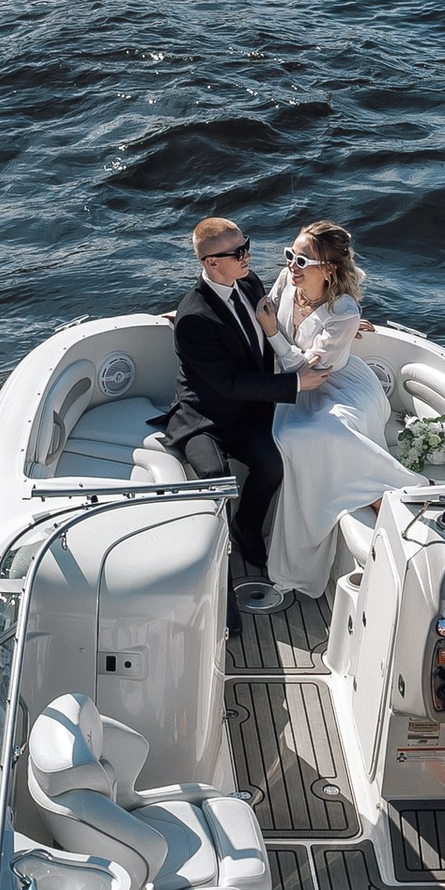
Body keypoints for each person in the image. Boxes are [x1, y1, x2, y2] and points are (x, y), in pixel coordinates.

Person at [263, 222, 412, 599]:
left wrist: (272, 332)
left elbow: (307, 369)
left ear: (328, 268)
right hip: (298, 386)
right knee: (297, 436)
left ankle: (386, 493)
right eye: (289, 256)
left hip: (342, 387)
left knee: (321, 433)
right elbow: (257, 307)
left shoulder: (344, 310)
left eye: (302, 260)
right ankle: (367, 492)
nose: (292, 265)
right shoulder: (288, 282)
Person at [172, 215, 292, 601]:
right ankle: (215, 576)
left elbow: (283, 318)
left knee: (272, 464)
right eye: (238, 251)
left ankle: (247, 528)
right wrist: (293, 384)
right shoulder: (193, 317)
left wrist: (343, 326)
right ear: (211, 263)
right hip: (206, 418)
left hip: (250, 412)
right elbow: (227, 383)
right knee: (216, 481)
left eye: (247, 244)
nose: (248, 255)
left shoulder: (250, 282)